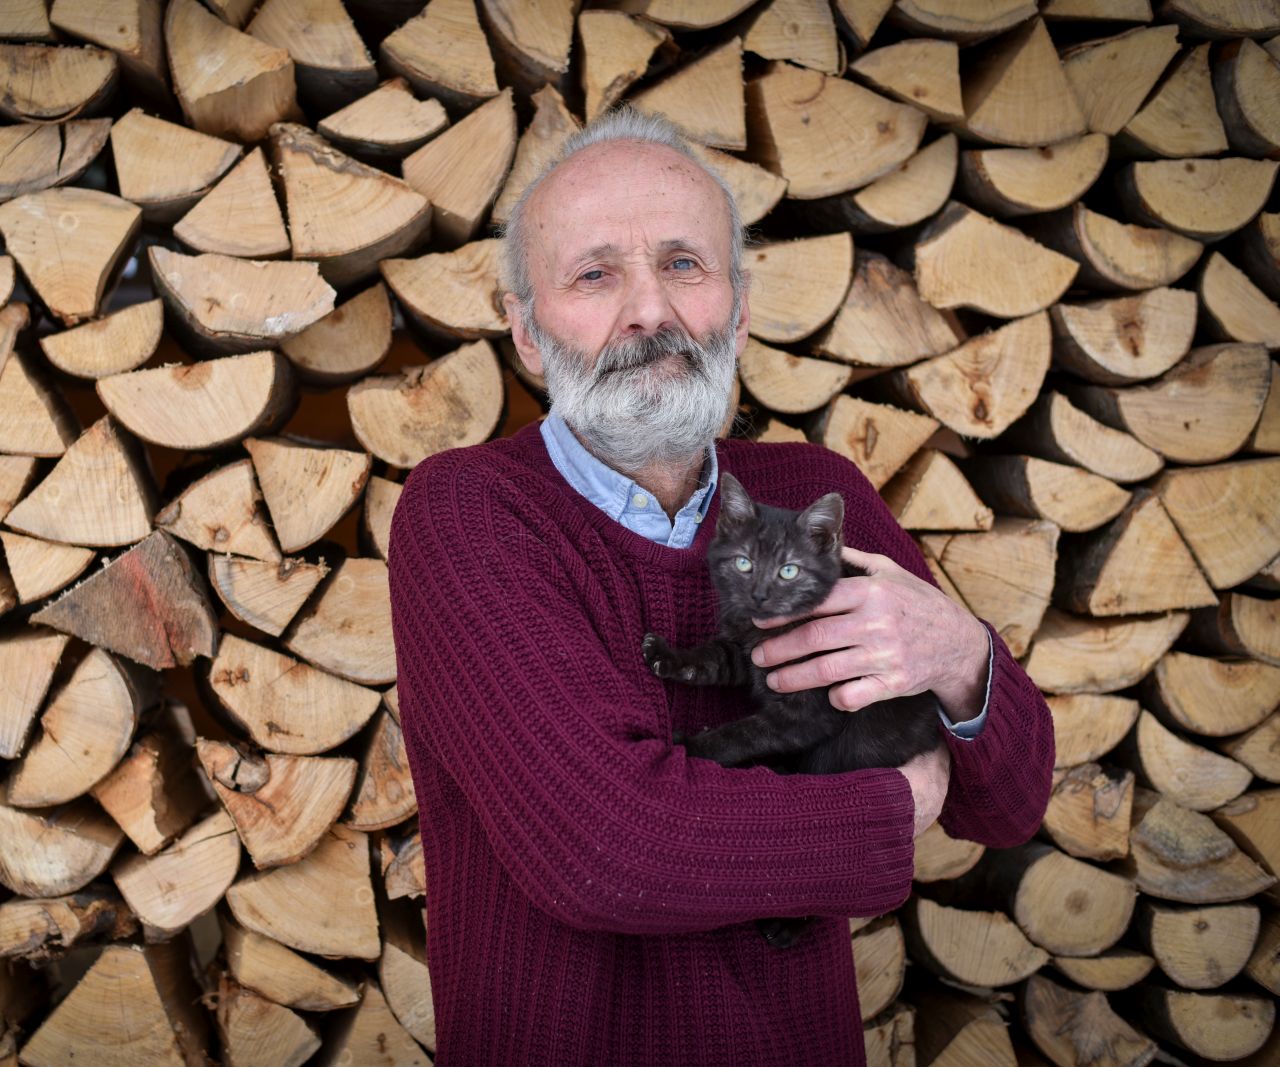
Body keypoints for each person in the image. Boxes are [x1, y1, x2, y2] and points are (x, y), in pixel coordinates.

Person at [386, 108, 1054, 1066]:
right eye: (594, 274)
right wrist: (886, 812)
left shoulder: (809, 496)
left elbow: (1008, 805)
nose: (649, 310)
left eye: (684, 265)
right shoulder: (469, 512)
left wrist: (958, 656)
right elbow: (606, 848)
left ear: (737, 310)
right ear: (526, 332)